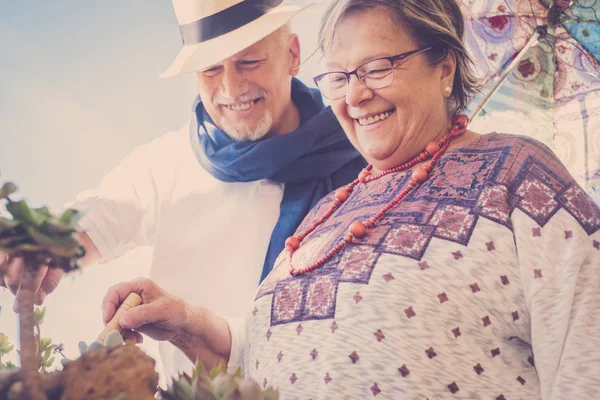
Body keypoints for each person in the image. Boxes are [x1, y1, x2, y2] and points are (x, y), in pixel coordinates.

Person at [102, 0, 600, 398]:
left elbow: (587, 359)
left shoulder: (517, 177)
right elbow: (261, 358)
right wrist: (186, 324)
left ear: (443, 66)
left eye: (377, 67)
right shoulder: (326, 212)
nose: (354, 96)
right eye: (338, 77)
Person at [0, 0, 365, 379]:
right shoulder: (166, 163)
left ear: (292, 55)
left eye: (249, 62)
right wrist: (36, 248)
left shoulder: (364, 154)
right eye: (210, 68)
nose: (231, 87)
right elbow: (93, 218)